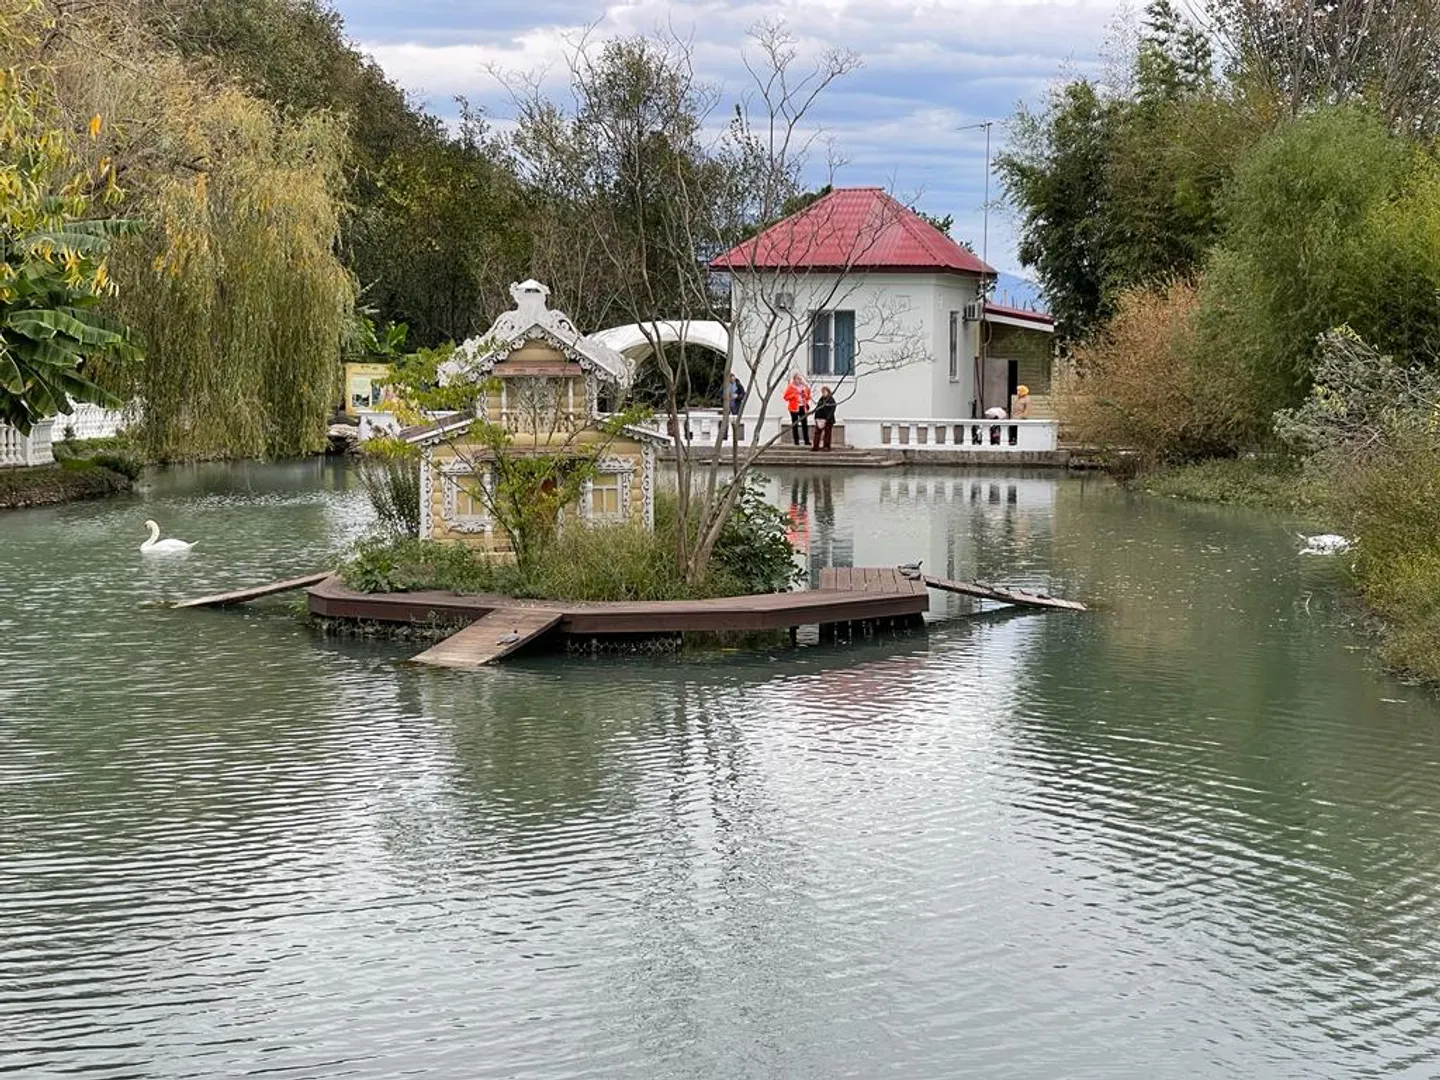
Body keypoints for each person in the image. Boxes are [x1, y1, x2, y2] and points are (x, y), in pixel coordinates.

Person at [782, 372, 811, 446]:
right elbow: (785, 397)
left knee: (805, 424)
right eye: (798, 378)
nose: (800, 380)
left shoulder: (803, 387)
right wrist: (794, 395)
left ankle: (806, 440)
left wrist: (806, 391)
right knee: (795, 424)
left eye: (800, 379)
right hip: (794, 408)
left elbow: (808, 397)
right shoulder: (790, 387)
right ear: (794, 379)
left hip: (802, 407)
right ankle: (796, 441)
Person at [811, 386, 837, 451]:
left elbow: (831, 411)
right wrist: (816, 417)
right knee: (817, 433)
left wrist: (827, 419)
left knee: (827, 434)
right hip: (820, 419)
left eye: (825, 392)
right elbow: (818, 408)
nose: (823, 393)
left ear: (828, 392)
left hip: (828, 420)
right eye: (822, 392)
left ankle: (826, 446)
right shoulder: (821, 399)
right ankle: (815, 446)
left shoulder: (831, 400)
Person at [726, 373, 745, 442]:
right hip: (728, 405)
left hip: (736, 404)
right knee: (727, 420)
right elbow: (721, 393)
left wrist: (737, 396)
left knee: (736, 419)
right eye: (730, 378)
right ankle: (726, 435)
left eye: (733, 378)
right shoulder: (726, 386)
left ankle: (736, 436)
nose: (732, 379)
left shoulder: (739, 385)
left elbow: (743, 394)